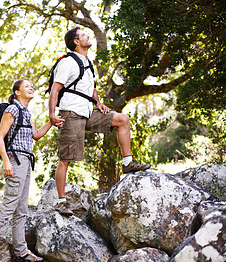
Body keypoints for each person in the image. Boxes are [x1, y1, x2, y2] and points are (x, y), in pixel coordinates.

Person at [49, 26, 151, 216]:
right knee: (65, 160)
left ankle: (127, 162)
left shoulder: (88, 62)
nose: (88, 36)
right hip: (70, 113)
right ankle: (61, 202)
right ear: (76, 42)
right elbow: (55, 89)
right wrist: (52, 114)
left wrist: (98, 104)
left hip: (88, 111)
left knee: (122, 119)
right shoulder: (67, 62)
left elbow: (90, 89)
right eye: (83, 35)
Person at [0, 78, 55, 262]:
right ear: (17, 92)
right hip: (15, 160)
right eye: (26, 86)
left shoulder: (26, 113)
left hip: (26, 161)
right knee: (8, 207)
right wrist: (6, 161)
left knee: (21, 209)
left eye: (32, 86)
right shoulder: (12, 109)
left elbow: (37, 135)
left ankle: (21, 251)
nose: (31, 88)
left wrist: (51, 122)